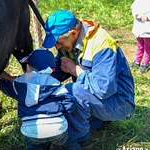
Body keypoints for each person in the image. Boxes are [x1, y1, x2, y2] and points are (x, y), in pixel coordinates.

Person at [42, 10, 135, 147]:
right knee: (62, 102)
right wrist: (38, 80)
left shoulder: (101, 44)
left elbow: (104, 89)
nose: (57, 47)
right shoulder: (71, 42)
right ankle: (96, 120)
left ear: (74, 33)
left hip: (120, 101)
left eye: (59, 43)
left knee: (72, 92)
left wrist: (75, 70)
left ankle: (81, 141)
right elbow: (59, 71)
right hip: (101, 99)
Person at [0, 48, 77, 150]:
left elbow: (5, 87)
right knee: (69, 142)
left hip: (31, 130)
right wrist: (63, 111)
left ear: (28, 67)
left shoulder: (19, 84)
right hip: (57, 128)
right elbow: (70, 103)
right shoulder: (56, 84)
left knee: (34, 146)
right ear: (52, 70)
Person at [130, 0, 150, 73]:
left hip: (149, 29)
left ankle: (145, 63)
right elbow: (134, 8)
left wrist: (149, 18)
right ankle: (137, 61)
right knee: (140, 46)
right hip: (139, 28)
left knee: (147, 47)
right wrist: (136, 15)